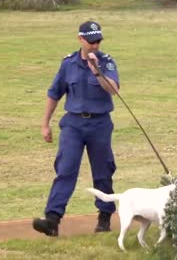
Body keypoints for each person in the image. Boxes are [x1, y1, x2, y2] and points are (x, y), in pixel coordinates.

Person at [33, 21, 120, 236]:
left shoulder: (106, 62)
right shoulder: (68, 64)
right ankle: (52, 220)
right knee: (65, 169)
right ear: (80, 39)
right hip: (73, 124)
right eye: (91, 41)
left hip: (99, 123)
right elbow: (54, 93)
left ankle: (104, 216)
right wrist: (45, 124)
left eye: (98, 41)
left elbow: (114, 90)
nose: (95, 45)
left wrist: (97, 72)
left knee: (103, 170)